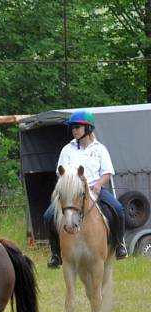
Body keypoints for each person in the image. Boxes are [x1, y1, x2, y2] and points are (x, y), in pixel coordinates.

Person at [44, 110, 128, 268]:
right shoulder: (67, 149)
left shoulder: (100, 149)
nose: (74, 130)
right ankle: (55, 254)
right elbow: (60, 173)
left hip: (94, 189)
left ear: (88, 128)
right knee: (48, 216)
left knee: (118, 209)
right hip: (72, 192)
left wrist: (98, 184)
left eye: (77, 126)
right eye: (72, 127)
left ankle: (119, 244)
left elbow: (107, 172)